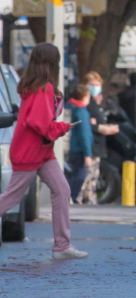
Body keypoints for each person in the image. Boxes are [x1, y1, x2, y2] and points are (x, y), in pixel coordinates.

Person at [0, 43, 88, 259]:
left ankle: (62, 246)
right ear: (53, 63)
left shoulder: (33, 87)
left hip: (39, 152)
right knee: (12, 197)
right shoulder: (43, 88)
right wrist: (64, 127)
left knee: (62, 190)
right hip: (32, 152)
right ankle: (61, 246)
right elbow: (41, 124)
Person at [79, 72, 119, 205]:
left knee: (92, 177)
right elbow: (85, 123)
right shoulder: (86, 102)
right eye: (91, 85)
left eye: (97, 85)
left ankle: (90, 201)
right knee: (87, 178)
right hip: (90, 146)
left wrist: (102, 126)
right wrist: (99, 128)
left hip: (97, 145)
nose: (95, 88)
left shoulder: (94, 102)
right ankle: (84, 201)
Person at [65, 84, 93, 203]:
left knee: (69, 174)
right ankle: (69, 197)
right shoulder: (81, 112)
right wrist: (88, 154)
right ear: (85, 96)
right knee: (79, 176)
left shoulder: (68, 107)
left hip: (68, 147)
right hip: (78, 149)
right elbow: (84, 134)